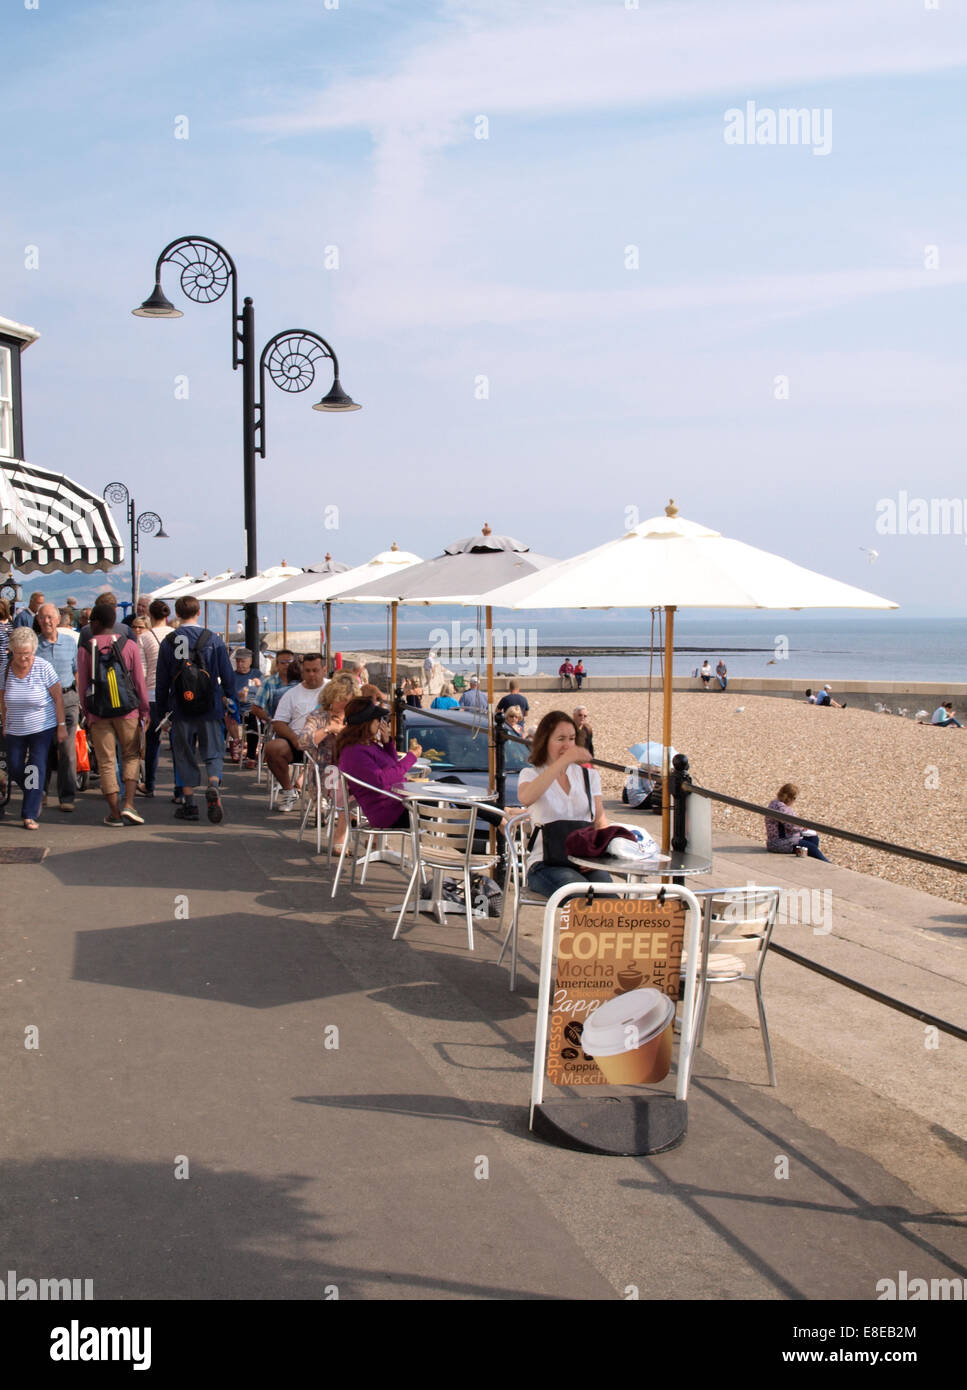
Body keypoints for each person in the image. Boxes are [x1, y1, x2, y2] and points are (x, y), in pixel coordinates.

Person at [155, 595, 236, 824]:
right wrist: (230, 700)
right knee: (214, 750)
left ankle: (189, 804)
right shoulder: (214, 640)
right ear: (199, 612)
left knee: (183, 753)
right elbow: (226, 675)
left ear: (177, 614)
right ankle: (213, 784)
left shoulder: (170, 641)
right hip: (209, 705)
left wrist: (163, 710)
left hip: (180, 706)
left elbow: (162, 680)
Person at [517, 711, 611, 898]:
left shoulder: (589, 776)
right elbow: (526, 798)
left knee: (609, 895)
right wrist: (564, 761)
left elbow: (600, 821)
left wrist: (597, 855)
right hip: (546, 863)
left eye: (572, 738)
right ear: (545, 741)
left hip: (584, 861)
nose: (567, 745)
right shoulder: (531, 774)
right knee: (578, 894)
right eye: (560, 739)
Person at [77, 603, 150, 827]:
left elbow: (82, 687)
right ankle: (129, 804)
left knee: (106, 762)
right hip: (128, 710)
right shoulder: (129, 645)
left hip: (99, 712)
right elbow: (138, 680)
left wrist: (87, 713)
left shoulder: (86, 649)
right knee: (130, 755)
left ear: (97, 622)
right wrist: (144, 710)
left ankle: (115, 813)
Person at [0, 626, 68, 829]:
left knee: (35, 767)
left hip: (41, 726)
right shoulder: (5, 669)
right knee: (14, 766)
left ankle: (29, 814)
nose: (23, 659)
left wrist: (61, 725)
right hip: (14, 728)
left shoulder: (43, 667)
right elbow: (2, 699)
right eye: (19, 654)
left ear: (34, 651)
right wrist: (4, 723)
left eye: (27, 654)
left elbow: (57, 698)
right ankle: (36, 792)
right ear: (12, 651)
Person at [336, 696, 421, 830]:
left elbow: (393, 768)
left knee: (450, 783)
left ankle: (464, 843)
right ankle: (462, 842)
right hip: (391, 813)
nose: (380, 722)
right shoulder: (355, 752)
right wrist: (411, 757)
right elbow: (380, 780)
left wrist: (387, 743)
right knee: (443, 803)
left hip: (398, 804)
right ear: (367, 723)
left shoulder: (367, 744)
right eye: (377, 719)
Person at [265, 652, 327, 811]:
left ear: (324, 670)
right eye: (307, 670)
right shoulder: (291, 694)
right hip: (297, 742)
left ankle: (328, 798)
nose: (311, 674)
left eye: (315, 670)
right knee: (272, 748)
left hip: (327, 742)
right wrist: (294, 739)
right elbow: (278, 722)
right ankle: (288, 791)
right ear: (302, 671)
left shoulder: (332, 689)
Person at [299, 674, 355, 850]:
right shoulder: (319, 716)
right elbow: (303, 741)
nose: (345, 705)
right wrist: (329, 729)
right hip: (326, 773)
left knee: (375, 782)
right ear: (331, 698)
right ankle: (343, 829)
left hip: (353, 770)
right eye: (342, 700)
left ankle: (376, 839)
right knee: (345, 785)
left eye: (349, 701)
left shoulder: (355, 717)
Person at [34, 603, 79, 812]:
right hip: (43, 703)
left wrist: (80, 698)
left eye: (50, 617)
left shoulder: (70, 642)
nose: (47, 621)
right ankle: (40, 792)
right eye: (42, 618)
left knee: (68, 751)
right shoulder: (34, 645)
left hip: (68, 699)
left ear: (58, 619)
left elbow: (77, 671)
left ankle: (67, 796)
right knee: (42, 750)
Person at [138, 599, 175, 797]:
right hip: (174, 695)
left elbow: (141, 671)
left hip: (152, 694)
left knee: (152, 741)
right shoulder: (176, 635)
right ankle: (180, 789)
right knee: (177, 742)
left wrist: (140, 699)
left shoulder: (144, 637)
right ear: (167, 616)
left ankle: (149, 784)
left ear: (150, 616)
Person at [765, 782, 831, 860]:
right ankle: (826, 865)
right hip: (780, 843)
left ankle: (806, 859)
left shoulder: (774, 803)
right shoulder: (782, 808)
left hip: (778, 841)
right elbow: (792, 825)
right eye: (795, 798)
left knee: (813, 838)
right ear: (790, 798)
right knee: (812, 848)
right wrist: (804, 828)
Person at [232, 649, 263, 765]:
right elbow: (224, 695)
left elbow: (265, 692)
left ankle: (258, 754)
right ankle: (241, 748)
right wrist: (237, 696)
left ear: (250, 661)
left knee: (258, 721)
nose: (240, 664)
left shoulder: (257, 674)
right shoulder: (232, 676)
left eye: (243, 661)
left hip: (254, 708)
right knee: (229, 713)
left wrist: (260, 686)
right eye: (238, 661)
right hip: (238, 708)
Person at [250, 650, 296, 728]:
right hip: (276, 728)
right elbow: (256, 708)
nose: (287, 665)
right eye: (283, 662)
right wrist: (271, 720)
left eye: (289, 662)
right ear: (277, 665)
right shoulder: (268, 682)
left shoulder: (301, 682)